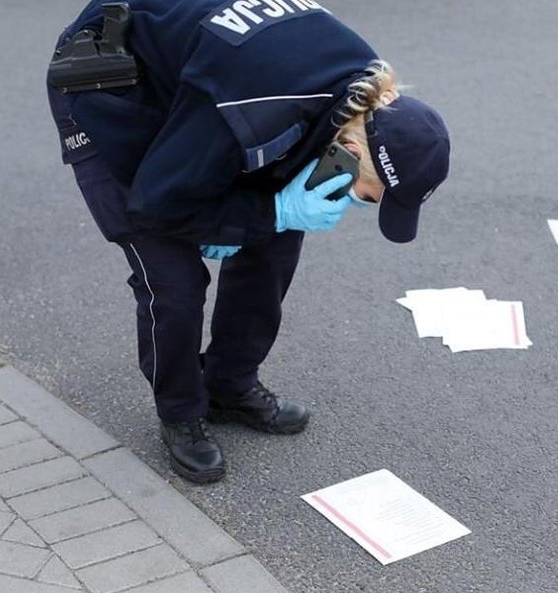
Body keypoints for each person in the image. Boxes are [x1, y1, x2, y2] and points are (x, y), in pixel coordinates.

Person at [48, 0, 450, 483]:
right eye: (364, 195)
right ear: (351, 149)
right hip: (108, 83)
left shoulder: (359, 85)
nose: (353, 207)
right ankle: (180, 411)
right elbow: (156, 204)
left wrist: (256, 221)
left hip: (200, 90)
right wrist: (264, 211)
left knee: (274, 245)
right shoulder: (253, 111)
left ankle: (228, 384)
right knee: (172, 278)